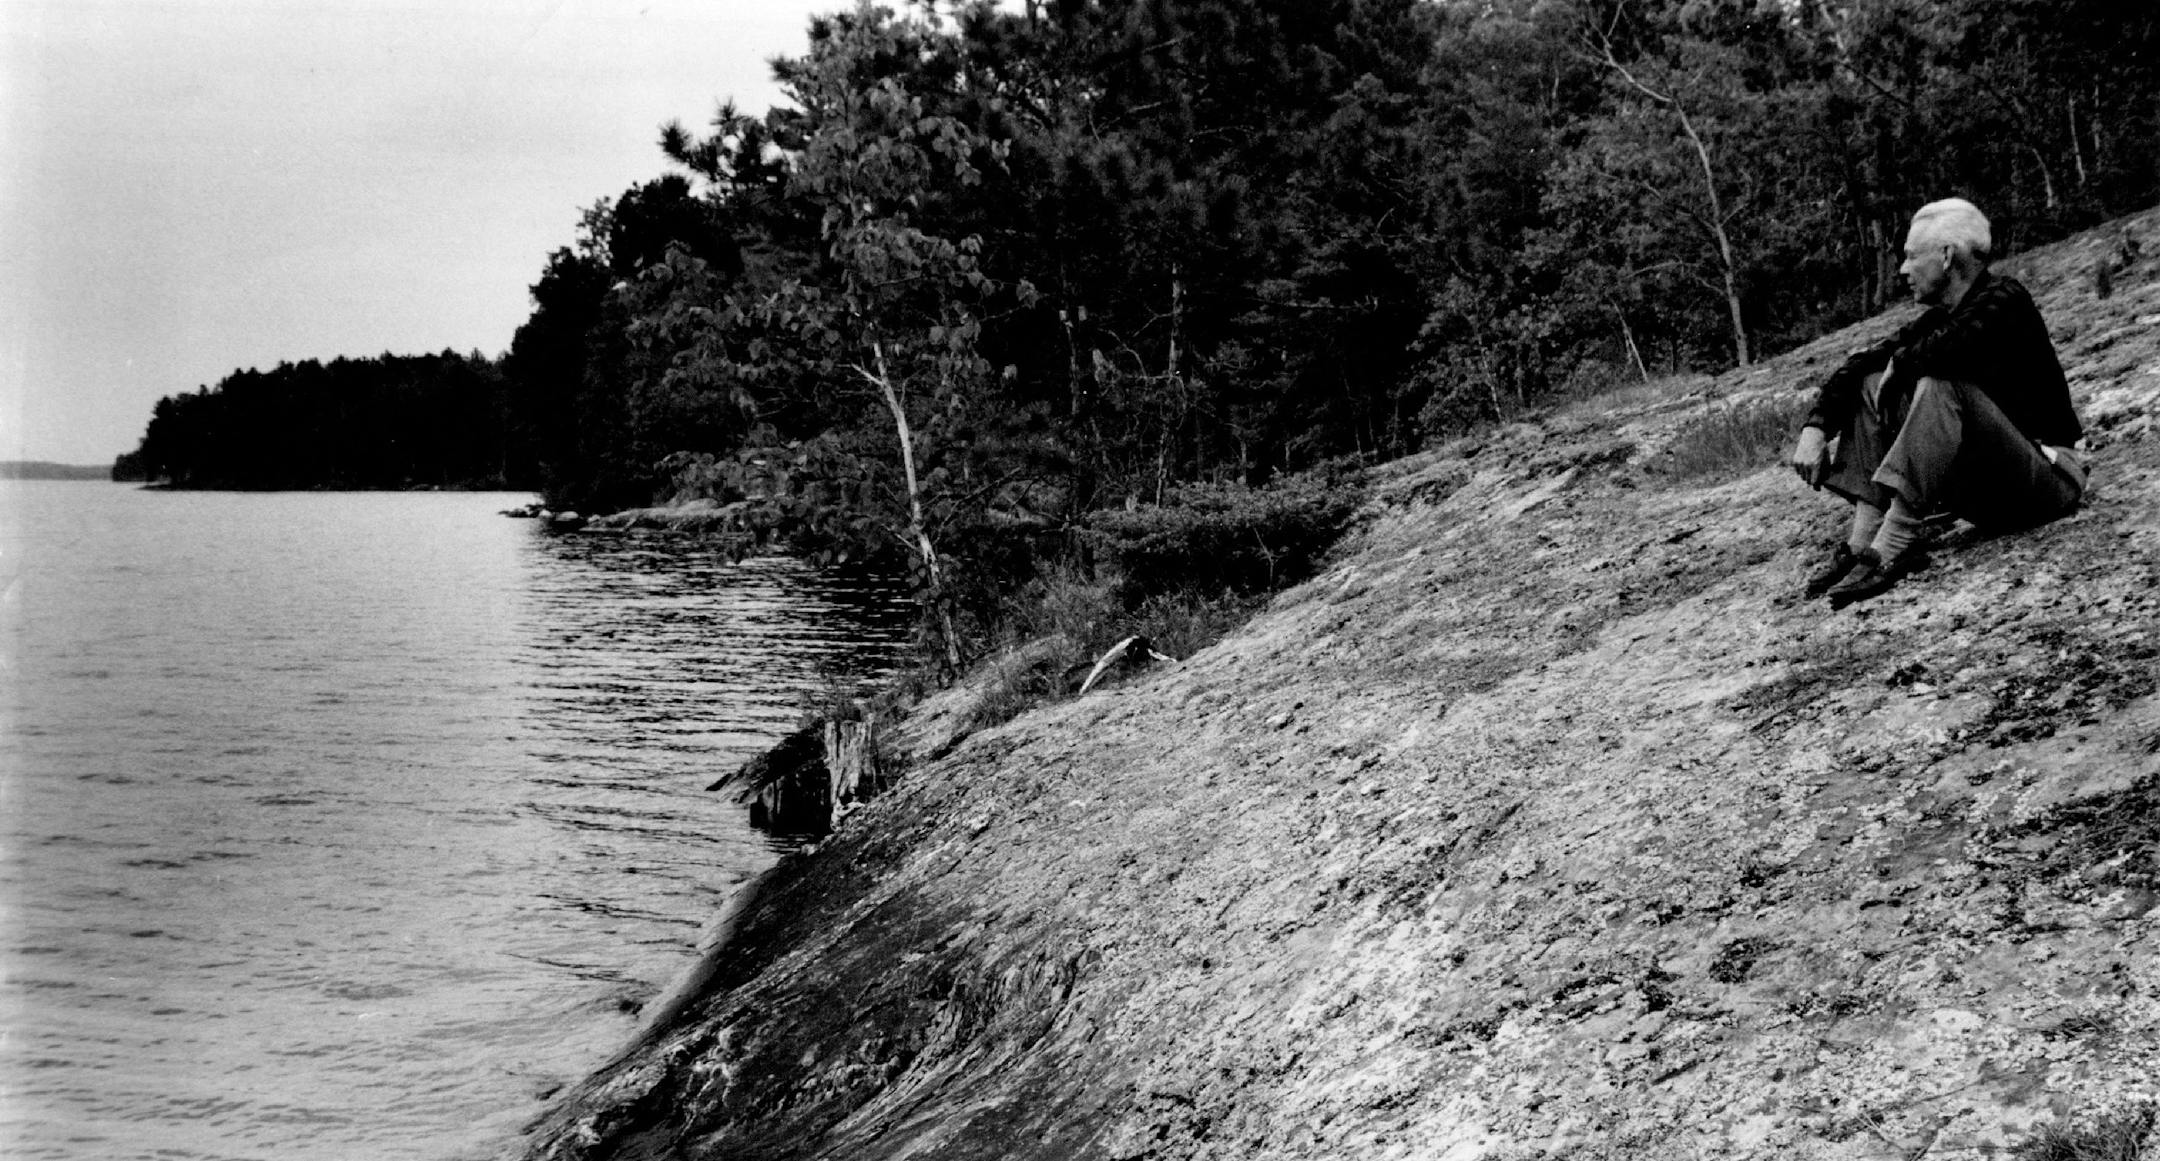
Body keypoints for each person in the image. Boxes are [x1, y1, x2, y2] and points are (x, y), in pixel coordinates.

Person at [1790, 197, 2087, 607]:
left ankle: (1896, 543)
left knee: (1940, 382)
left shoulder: (2006, 298)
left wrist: (1901, 363)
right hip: (1988, 498)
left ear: (1947, 256)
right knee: (1869, 382)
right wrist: (1816, 428)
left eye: (1912, 256)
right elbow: (1858, 366)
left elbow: (1953, 348)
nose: (1903, 269)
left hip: (2049, 483)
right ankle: (1863, 540)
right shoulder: (1940, 318)